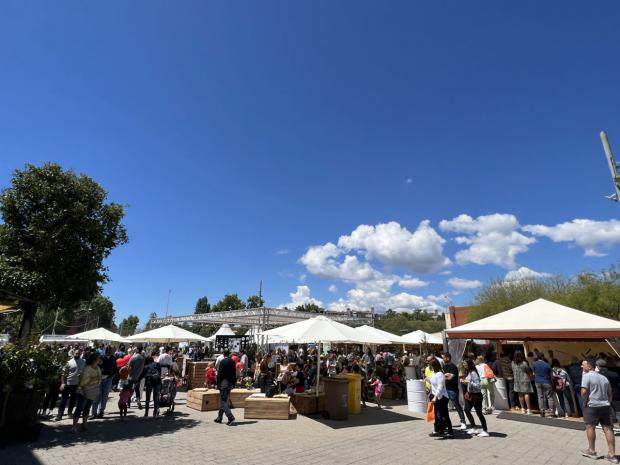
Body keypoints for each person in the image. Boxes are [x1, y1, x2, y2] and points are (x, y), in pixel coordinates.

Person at [581, 359, 618, 463]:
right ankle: (612, 455)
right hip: (605, 406)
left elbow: (583, 392)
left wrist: (585, 402)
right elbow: (610, 393)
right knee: (608, 429)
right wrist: (608, 403)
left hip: (592, 405)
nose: (582, 367)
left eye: (583, 365)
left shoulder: (586, 376)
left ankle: (592, 451)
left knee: (590, 427)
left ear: (589, 366)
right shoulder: (604, 378)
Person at [72, 352, 101, 433]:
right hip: (84, 392)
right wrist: (94, 379)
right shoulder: (86, 369)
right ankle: (74, 427)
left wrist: (96, 379)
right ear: (94, 360)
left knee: (87, 408)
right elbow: (82, 382)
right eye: (98, 358)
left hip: (92, 392)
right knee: (79, 408)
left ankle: (84, 424)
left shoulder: (98, 368)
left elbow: (99, 378)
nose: (99, 360)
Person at [54, 348, 85, 421]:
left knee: (73, 400)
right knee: (63, 400)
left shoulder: (83, 362)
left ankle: (70, 412)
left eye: (79, 353)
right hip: (68, 383)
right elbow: (63, 374)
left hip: (77, 384)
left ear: (80, 354)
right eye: (76, 353)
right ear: (73, 353)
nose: (77, 354)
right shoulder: (69, 362)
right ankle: (60, 415)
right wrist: (62, 383)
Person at [461, 359, 489, 437]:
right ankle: (474, 427)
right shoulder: (469, 372)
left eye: (465, 364)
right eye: (463, 364)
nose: (464, 366)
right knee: (466, 410)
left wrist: (468, 382)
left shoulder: (473, 373)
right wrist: (465, 381)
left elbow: (478, 385)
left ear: (469, 364)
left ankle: (485, 430)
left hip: (476, 395)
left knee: (479, 413)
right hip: (470, 395)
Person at [429, 358, 454, 438]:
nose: (429, 366)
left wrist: (435, 397)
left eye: (431, 365)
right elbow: (433, 385)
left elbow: (440, 387)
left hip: (442, 397)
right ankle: (439, 430)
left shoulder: (440, 374)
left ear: (434, 365)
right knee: (436, 415)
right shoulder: (434, 373)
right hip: (435, 395)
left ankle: (450, 432)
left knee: (444, 415)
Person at [90, 345, 116, 419]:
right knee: (96, 396)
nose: (113, 351)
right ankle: (93, 413)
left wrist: (111, 376)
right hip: (99, 379)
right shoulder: (100, 357)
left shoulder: (113, 358)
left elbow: (115, 369)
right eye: (112, 350)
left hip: (108, 379)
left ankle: (101, 412)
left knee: (104, 397)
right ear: (108, 350)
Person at [443, 353, 467, 430]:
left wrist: (445, 376)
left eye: (444, 358)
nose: (443, 359)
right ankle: (445, 423)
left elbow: (450, 377)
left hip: (452, 389)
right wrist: (445, 376)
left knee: (457, 406)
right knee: (444, 407)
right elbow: (445, 376)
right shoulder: (444, 367)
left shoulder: (453, 367)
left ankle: (463, 422)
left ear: (448, 358)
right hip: (445, 389)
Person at [214, 349, 236, 425]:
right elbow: (234, 373)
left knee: (223, 401)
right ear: (229, 353)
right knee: (223, 400)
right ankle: (219, 417)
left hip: (223, 383)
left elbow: (219, 374)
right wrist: (234, 383)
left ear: (223, 354)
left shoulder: (223, 362)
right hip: (229, 383)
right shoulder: (232, 361)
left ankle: (230, 417)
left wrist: (217, 384)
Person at [596, 359, 620, 425]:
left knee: (609, 413)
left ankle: (610, 428)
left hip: (604, 396)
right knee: (618, 412)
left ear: (597, 366)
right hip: (616, 394)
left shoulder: (597, 375)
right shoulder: (614, 374)